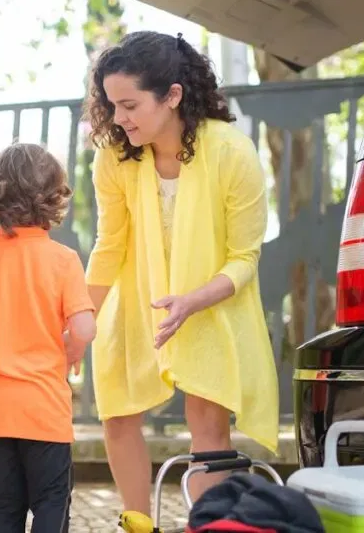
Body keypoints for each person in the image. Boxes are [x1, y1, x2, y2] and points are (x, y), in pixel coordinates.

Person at [83, 31, 279, 526]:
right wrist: (80, 317)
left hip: (211, 301)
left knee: (207, 422)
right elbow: (110, 245)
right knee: (118, 414)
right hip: (138, 299)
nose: (119, 117)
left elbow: (244, 258)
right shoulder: (114, 157)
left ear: (172, 96)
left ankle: (209, 526)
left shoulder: (232, 152)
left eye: (130, 104)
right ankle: (136, 522)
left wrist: (194, 300)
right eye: (112, 105)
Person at [0, 143, 97, 533]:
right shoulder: (63, 260)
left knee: (5, 506)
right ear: (54, 198)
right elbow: (83, 328)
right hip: (42, 406)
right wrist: (71, 350)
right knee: (50, 500)